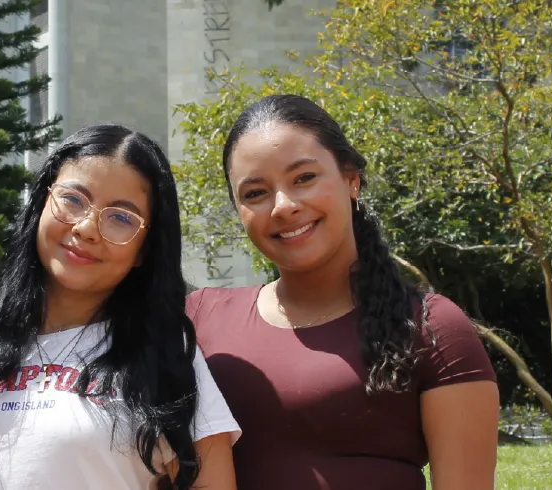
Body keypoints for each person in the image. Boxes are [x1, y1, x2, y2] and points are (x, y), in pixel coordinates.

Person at [187, 94, 500, 490]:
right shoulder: (199, 319)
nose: (283, 206)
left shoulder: (433, 328)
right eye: (255, 193)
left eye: (304, 178)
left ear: (351, 179)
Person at [0, 124, 241, 490]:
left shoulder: (165, 358)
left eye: (121, 218)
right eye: (73, 199)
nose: (86, 228)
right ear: (41, 204)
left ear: (144, 250)